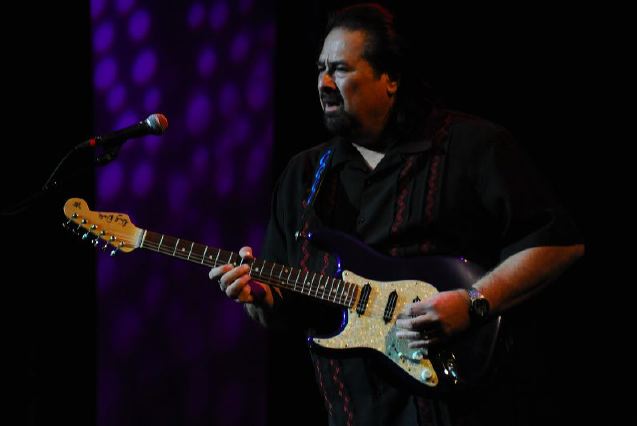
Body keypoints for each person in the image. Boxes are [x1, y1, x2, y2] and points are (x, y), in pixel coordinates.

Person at [209, 3, 584, 425]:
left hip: (465, 408)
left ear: (390, 79)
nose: (324, 83)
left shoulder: (470, 147)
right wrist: (260, 298)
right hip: (352, 412)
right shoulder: (304, 175)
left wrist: (475, 303)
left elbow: (558, 244)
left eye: (341, 70)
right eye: (320, 69)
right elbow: (284, 306)